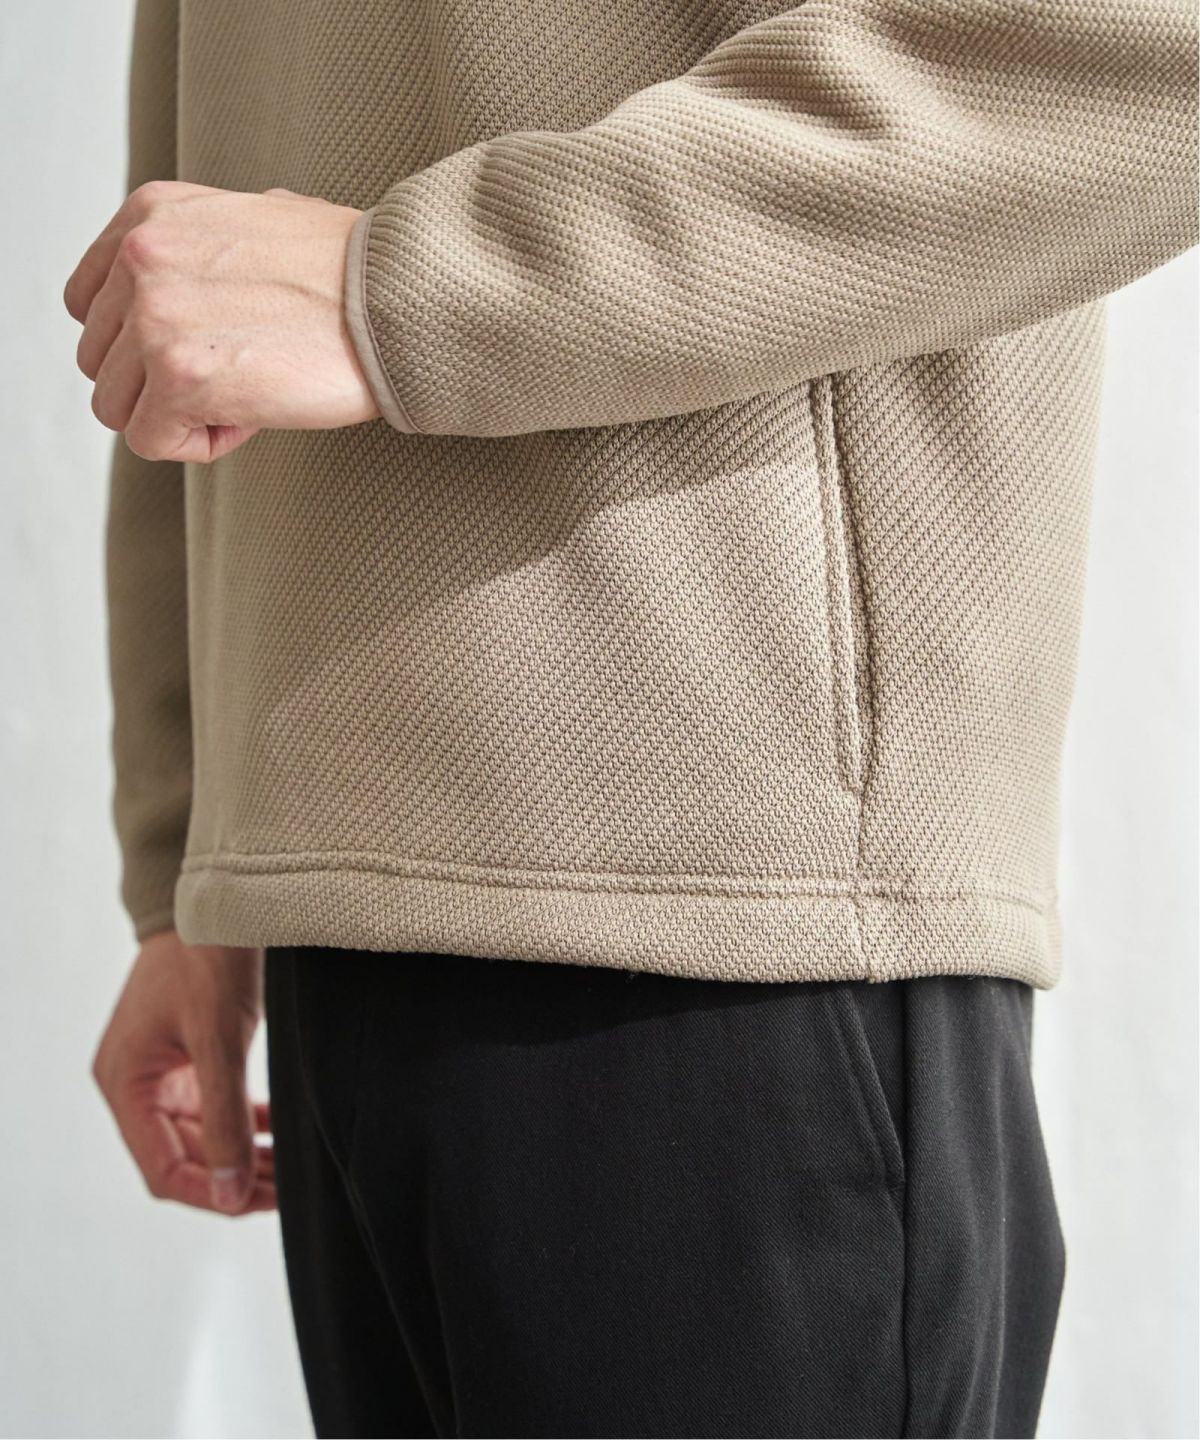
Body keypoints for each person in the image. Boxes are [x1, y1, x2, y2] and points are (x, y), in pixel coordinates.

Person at [67, 1, 1196, 1436]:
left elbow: (1145, 50)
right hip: (335, 903)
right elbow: (185, 264)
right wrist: (185, 844)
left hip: (727, 916)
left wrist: (401, 288)